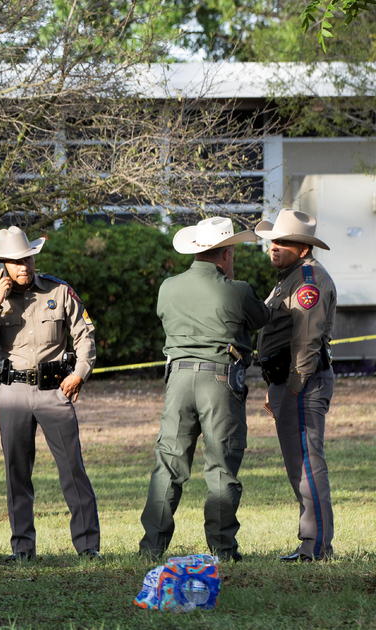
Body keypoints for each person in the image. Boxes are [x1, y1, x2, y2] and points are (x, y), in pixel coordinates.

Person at [139, 216, 269, 562]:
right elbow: (262, 319)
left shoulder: (168, 287)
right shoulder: (237, 290)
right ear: (226, 253)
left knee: (169, 462)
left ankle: (152, 546)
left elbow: (163, 317)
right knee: (221, 464)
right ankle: (223, 548)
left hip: (178, 378)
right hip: (219, 379)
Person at [0, 226, 99, 561]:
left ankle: (87, 548)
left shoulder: (59, 290)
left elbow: (85, 335)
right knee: (17, 473)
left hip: (54, 390)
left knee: (73, 470)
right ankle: (23, 549)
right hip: (12, 393)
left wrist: (79, 374)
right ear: (3, 266)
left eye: (27, 259)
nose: (24, 266)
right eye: (16, 262)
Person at [255, 209, 336, 562]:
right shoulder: (288, 277)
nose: (274, 246)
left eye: (284, 241)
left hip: (301, 382)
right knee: (298, 464)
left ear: (303, 248)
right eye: (273, 240)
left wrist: (291, 388)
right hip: (286, 380)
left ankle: (315, 546)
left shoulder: (306, 281)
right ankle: (312, 543)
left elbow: (306, 341)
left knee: (307, 462)